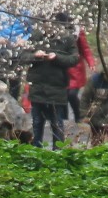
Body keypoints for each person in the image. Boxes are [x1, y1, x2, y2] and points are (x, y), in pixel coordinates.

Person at [27, 11, 81, 148]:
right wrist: (34, 55)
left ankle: (58, 153)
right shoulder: (36, 37)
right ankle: (35, 151)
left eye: (51, 24)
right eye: (45, 23)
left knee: (57, 124)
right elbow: (21, 55)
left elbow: (74, 58)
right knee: (37, 122)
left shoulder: (66, 39)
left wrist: (56, 57)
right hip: (37, 86)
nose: (48, 27)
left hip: (57, 87)